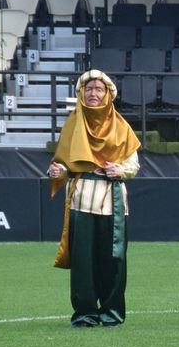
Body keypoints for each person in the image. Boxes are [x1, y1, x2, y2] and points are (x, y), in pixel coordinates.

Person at [47, 70, 141, 328]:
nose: (93, 94)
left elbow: (133, 164)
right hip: (82, 199)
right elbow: (64, 164)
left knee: (113, 259)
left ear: (109, 94)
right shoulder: (72, 123)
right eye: (89, 89)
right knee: (83, 262)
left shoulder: (121, 126)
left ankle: (112, 312)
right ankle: (85, 313)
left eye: (99, 89)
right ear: (81, 93)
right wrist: (59, 171)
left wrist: (121, 170)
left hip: (114, 200)